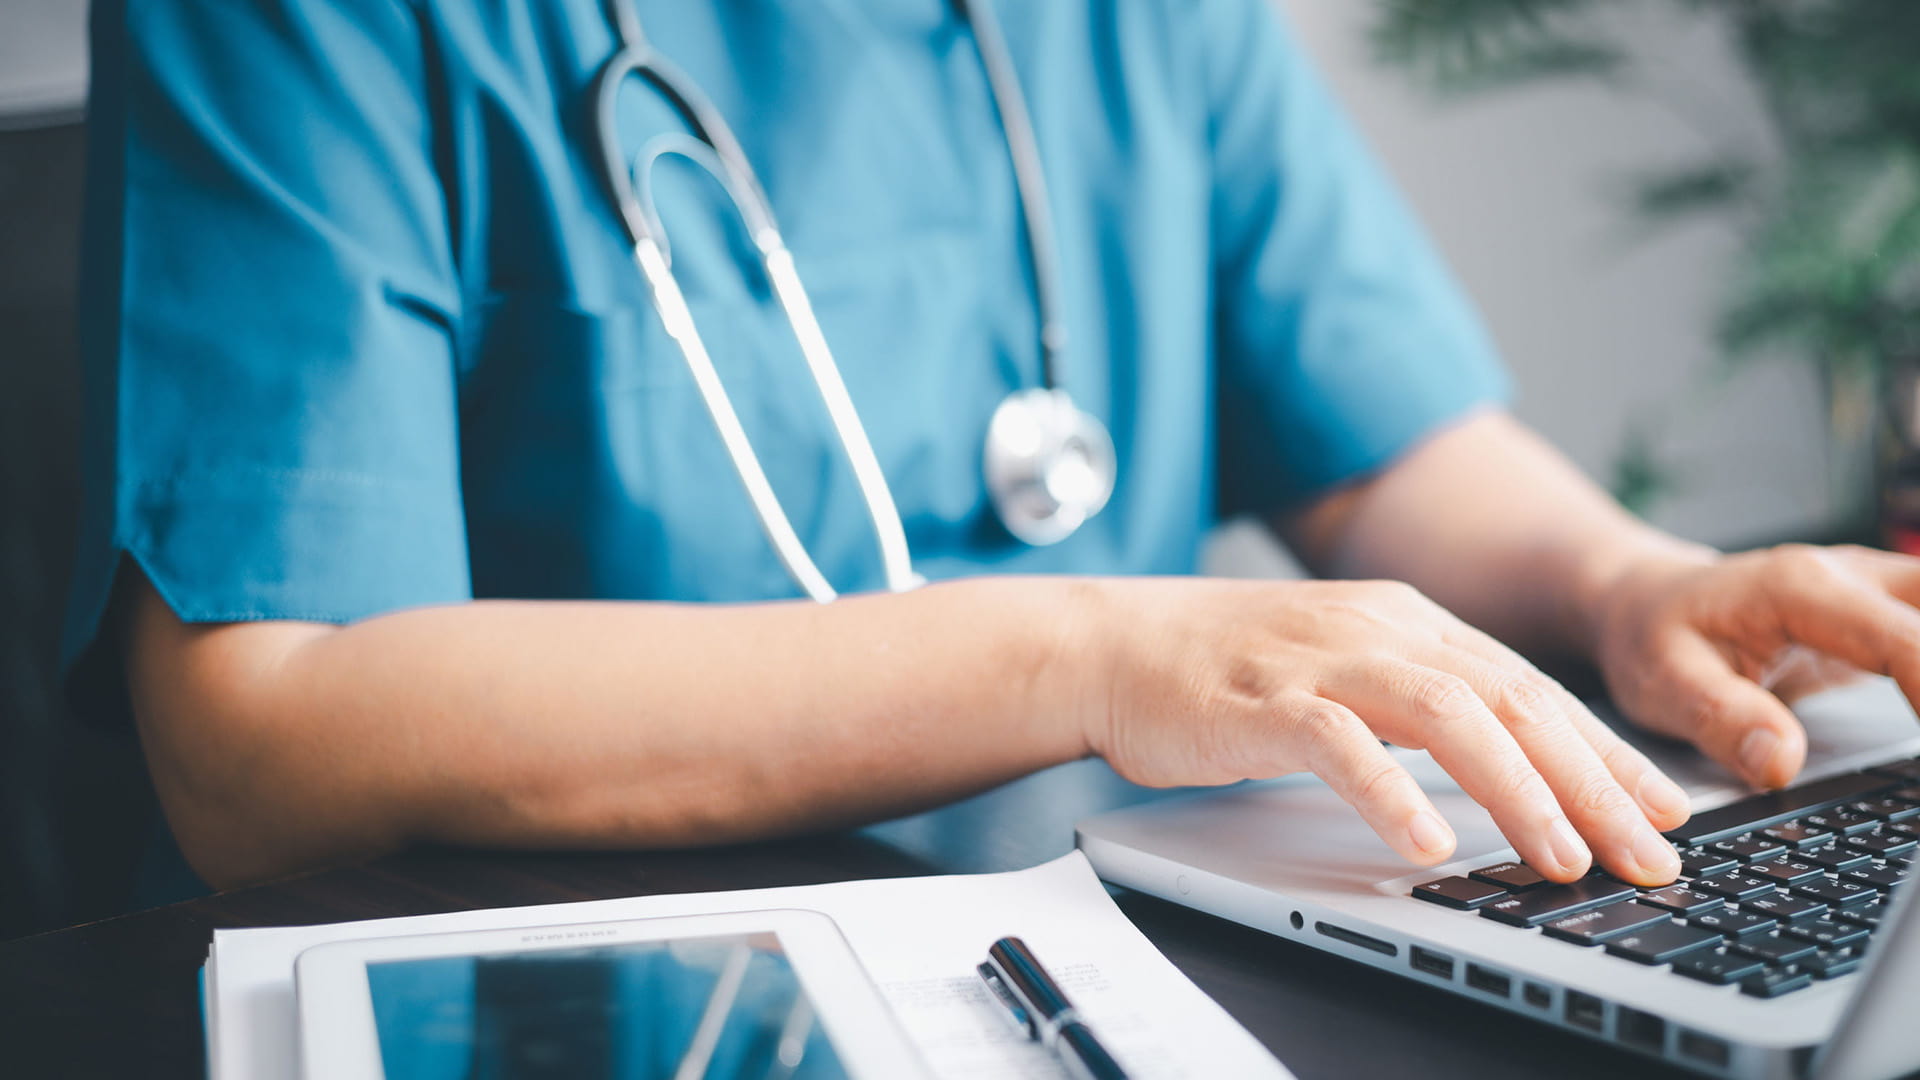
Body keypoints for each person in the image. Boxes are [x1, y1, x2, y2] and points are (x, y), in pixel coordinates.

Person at [65, 0, 1920, 900]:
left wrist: (1623, 583)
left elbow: (1372, 447)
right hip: (584, 992)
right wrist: (1089, 652)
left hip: (1098, 940)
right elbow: (264, 731)